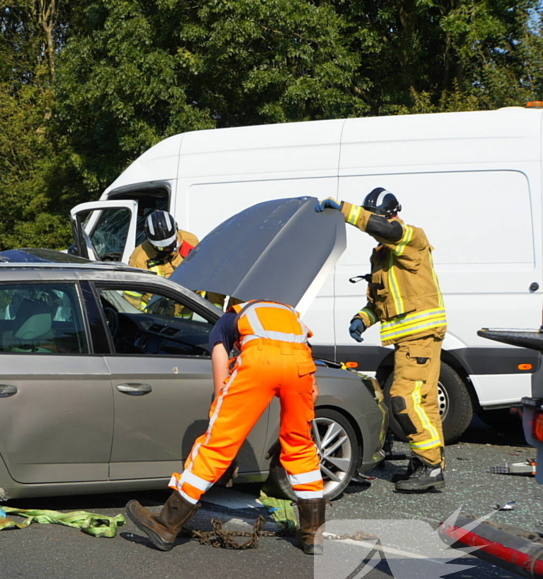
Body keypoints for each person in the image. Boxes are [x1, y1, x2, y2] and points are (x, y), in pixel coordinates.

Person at [125, 300, 326, 554]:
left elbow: (221, 382)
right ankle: (312, 535)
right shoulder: (292, 318)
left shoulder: (232, 317)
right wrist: (290, 436)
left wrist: (225, 421)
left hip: (259, 364)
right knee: (301, 447)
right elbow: (314, 390)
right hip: (299, 368)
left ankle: (167, 524)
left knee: (216, 444)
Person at [316, 189, 446, 492]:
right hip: (411, 339)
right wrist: (363, 318)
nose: (373, 223)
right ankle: (428, 463)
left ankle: (429, 465)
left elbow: (385, 229)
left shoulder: (412, 238)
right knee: (423, 402)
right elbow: (381, 301)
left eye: (375, 216)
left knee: (402, 398)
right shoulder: (382, 254)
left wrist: (347, 211)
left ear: (390, 215)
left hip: (419, 336)